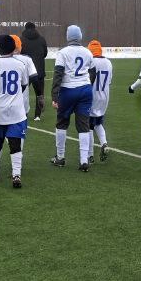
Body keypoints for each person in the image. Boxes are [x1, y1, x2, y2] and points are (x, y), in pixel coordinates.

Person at [0, 33, 36, 188]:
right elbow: (24, 85)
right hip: (17, 111)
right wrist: (14, 97)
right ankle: (16, 174)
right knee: (15, 143)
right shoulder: (21, 65)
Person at [50, 24, 98, 172]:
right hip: (85, 90)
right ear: (80, 36)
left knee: (62, 123)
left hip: (68, 90)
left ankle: (60, 157)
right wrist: (87, 85)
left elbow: (58, 74)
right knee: (83, 125)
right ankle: (84, 160)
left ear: (68, 36)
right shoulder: (87, 52)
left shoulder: (63, 53)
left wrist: (54, 96)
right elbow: (93, 72)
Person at [87, 39, 113, 161]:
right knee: (98, 123)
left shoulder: (91, 62)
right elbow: (109, 81)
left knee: (88, 126)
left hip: (92, 96)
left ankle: (90, 155)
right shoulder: (108, 62)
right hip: (104, 97)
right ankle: (104, 143)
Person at [20, 22, 48, 119]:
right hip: (39, 70)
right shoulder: (42, 39)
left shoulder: (21, 39)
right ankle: (37, 115)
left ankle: (22, 112)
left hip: (25, 71)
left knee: (22, 93)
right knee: (39, 93)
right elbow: (45, 53)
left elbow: (19, 53)